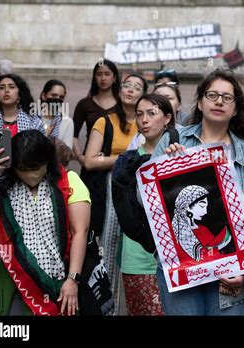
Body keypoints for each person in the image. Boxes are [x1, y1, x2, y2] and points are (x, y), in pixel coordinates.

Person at [152, 68, 244, 315]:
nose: (219, 101)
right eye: (212, 95)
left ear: (236, 108)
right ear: (200, 102)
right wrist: (165, 172)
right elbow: (145, 201)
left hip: (230, 272)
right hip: (182, 269)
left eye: (227, 97)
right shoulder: (172, 142)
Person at [0, 130, 90, 315]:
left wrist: (72, 279)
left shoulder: (69, 182)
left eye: (36, 168)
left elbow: (80, 232)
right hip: (16, 281)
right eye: (23, 169)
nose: (30, 175)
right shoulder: (4, 189)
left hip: (60, 282)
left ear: (47, 162)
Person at [0, 73, 45, 312]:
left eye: (11, 87)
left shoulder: (33, 121)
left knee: (24, 250)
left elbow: (41, 155)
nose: (6, 91)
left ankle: (26, 304)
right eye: (1, 87)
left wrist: (20, 165)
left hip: (25, 191)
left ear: (19, 92)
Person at [84, 72, 146, 315]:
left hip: (140, 188)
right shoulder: (105, 121)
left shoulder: (149, 121)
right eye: (127, 85)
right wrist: (127, 159)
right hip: (112, 186)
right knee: (108, 246)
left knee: (138, 249)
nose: (130, 89)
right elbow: (89, 161)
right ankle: (106, 310)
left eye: (137, 87)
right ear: (120, 91)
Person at [120, 93, 175, 316]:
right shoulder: (127, 161)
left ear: (168, 118)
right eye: (140, 114)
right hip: (136, 257)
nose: (144, 120)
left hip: (174, 258)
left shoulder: (180, 155)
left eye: (152, 113)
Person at [73, 59, 120, 169]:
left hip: (116, 162)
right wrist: (80, 157)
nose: (103, 78)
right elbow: (74, 134)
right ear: (94, 77)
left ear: (114, 78)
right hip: (90, 161)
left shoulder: (122, 104)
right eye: (99, 74)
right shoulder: (84, 104)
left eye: (107, 74)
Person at [39, 79, 74, 166]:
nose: (57, 100)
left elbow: (66, 156)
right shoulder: (32, 119)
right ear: (44, 96)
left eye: (61, 97)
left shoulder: (67, 122)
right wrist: (45, 136)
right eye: (54, 95)